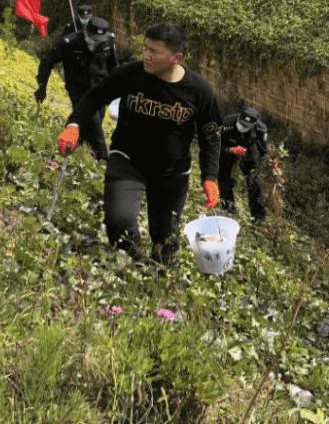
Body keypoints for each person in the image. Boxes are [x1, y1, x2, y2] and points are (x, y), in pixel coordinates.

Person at [57, 23, 222, 265]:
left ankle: (159, 275)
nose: (145, 55)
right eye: (145, 48)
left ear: (176, 58)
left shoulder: (199, 91)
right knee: (119, 221)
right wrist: (73, 125)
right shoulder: (130, 75)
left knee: (165, 241)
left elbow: (211, 135)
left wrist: (209, 176)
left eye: (154, 51)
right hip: (128, 160)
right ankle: (132, 261)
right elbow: (94, 97)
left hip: (172, 172)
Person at [36, 16, 120, 162]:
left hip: (100, 92)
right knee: (96, 134)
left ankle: (71, 156)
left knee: (90, 126)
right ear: (85, 33)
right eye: (93, 40)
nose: (96, 44)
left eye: (99, 41)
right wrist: (42, 87)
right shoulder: (70, 43)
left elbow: (114, 67)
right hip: (79, 91)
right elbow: (47, 62)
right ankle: (103, 163)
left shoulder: (108, 42)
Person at [218, 106, 269, 222]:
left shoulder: (260, 129)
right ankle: (228, 209)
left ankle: (258, 216)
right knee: (223, 176)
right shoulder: (225, 124)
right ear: (238, 118)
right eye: (241, 124)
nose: (242, 127)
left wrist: (268, 162)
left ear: (254, 125)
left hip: (248, 148)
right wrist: (230, 150)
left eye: (246, 126)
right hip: (227, 148)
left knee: (254, 180)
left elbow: (263, 149)